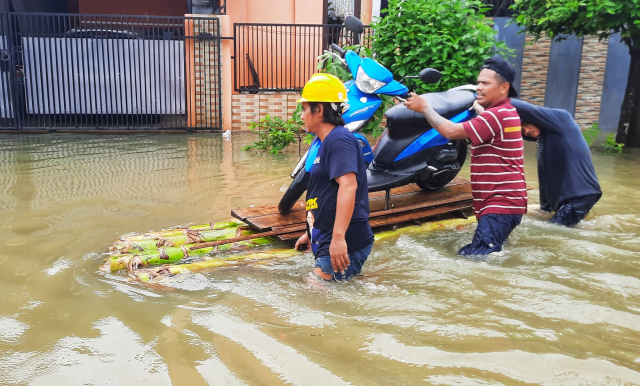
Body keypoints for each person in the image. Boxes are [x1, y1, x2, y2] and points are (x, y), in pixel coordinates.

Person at [403, 56, 527, 255]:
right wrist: (478, 109)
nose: (479, 87)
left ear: (504, 88)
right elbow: (484, 119)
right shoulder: (504, 111)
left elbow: (451, 132)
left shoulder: (496, 116)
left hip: (500, 204)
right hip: (504, 203)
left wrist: (425, 107)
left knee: (472, 259)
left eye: (485, 83)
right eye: (478, 82)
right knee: (492, 254)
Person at [294, 73, 374, 281]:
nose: (301, 115)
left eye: (304, 109)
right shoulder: (326, 142)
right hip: (327, 238)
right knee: (343, 288)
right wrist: (310, 233)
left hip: (341, 239)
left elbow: (348, 187)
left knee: (316, 300)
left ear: (319, 109)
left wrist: (338, 239)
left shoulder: (339, 140)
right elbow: (325, 193)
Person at [507, 99, 601, 226]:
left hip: (579, 196)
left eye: (527, 125)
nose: (527, 131)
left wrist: (488, 97)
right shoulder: (544, 138)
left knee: (551, 231)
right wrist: (545, 208)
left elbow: (527, 109)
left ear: (536, 120)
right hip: (565, 198)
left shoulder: (562, 120)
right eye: (522, 131)